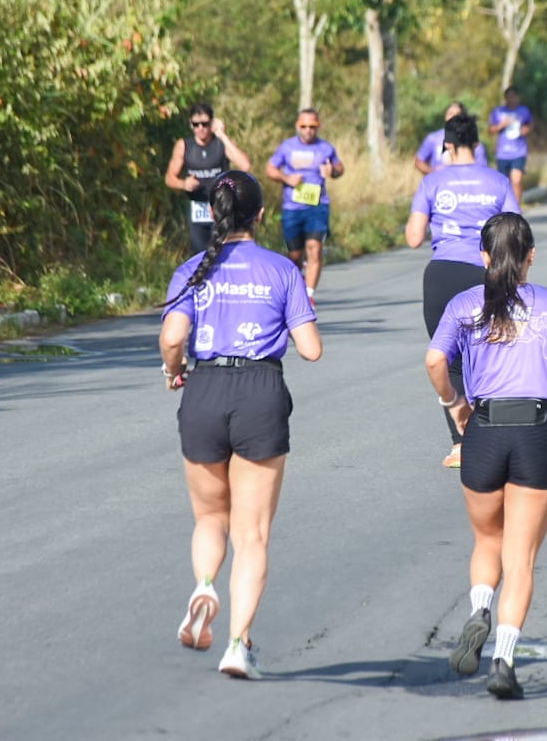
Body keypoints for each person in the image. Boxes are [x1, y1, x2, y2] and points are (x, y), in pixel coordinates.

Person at [159, 170, 322, 680]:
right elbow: (311, 350)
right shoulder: (282, 269)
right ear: (262, 215)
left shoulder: (192, 268)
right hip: (260, 392)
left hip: (204, 389)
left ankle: (205, 584)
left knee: (210, 517)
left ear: (212, 213)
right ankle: (236, 644)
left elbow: (172, 337)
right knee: (251, 534)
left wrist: (174, 370)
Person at [427, 212, 547, 700]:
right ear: (531, 256)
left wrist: (453, 403)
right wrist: (540, 371)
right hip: (535, 431)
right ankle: (503, 659)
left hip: (484, 429)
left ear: (483, 256)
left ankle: (479, 607)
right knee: (521, 559)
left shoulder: (463, 304)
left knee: (487, 539)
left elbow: (435, 360)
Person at [407, 113, 521, 468]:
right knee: (494, 353)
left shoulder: (432, 182)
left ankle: (461, 444)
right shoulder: (498, 181)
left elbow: (413, 238)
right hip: (487, 274)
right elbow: (516, 231)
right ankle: (499, 437)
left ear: (447, 146)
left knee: (450, 356)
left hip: (442, 275)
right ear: (476, 143)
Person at [265, 109, 344, 305]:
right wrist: (286, 178)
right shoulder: (287, 147)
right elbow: (270, 168)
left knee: (314, 248)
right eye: (304, 126)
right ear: (297, 126)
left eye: (312, 126)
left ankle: (308, 295)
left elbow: (339, 168)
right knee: (295, 255)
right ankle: (296, 284)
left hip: (317, 206)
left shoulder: (325, 148)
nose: (308, 130)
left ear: (318, 126)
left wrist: (332, 171)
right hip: (292, 208)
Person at [165, 103, 252, 254]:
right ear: (190, 124)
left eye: (205, 124)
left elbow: (245, 165)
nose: (201, 128)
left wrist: (222, 134)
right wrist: (183, 183)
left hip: (220, 205)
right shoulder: (184, 145)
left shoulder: (220, 143)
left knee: (223, 252)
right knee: (201, 255)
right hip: (197, 208)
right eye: (196, 124)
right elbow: (169, 178)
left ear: (212, 123)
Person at [416, 102, 489, 175]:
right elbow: (419, 161)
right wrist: (433, 173)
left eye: (457, 114)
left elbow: (482, 167)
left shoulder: (472, 141)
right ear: (445, 116)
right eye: (450, 113)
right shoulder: (433, 138)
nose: (453, 117)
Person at [489, 87, 533, 204]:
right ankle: (506, 207)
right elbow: (491, 130)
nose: (511, 99)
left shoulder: (524, 111)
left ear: (518, 98)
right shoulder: (498, 112)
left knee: (517, 180)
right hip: (503, 154)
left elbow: (530, 125)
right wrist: (501, 125)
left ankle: (516, 209)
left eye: (513, 97)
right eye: (508, 97)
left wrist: (526, 130)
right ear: (505, 98)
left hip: (519, 151)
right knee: (504, 183)